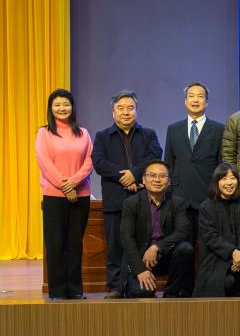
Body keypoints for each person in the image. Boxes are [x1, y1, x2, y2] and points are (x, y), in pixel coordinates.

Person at [92, 90, 163, 299]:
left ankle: (136, 284)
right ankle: (115, 287)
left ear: (136, 111)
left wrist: (135, 173)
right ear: (113, 112)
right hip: (114, 200)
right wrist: (124, 177)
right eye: (121, 108)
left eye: (130, 108)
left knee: (140, 244)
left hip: (142, 200)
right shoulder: (103, 136)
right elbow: (98, 162)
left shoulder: (148, 134)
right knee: (115, 246)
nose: (126, 112)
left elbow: (155, 156)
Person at [36, 88, 93, 300]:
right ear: (51, 108)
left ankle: (75, 289)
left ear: (72, 107)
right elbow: (44, 163)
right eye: (57, 104)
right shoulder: (44, 133)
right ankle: (58, 290)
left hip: (81, 195)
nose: (62, 108)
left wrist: (74, 183)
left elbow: (89, 161)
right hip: (54, 196)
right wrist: (65, 186)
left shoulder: (83, 133)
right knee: (55, 244)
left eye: (66, 104)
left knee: (75, 244)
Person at [119, 159, 194, 298]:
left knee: (186, 248)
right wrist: (140, 270)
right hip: (141, 259)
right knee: (141, 293)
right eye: (152, 175)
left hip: (166, 256)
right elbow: (126, 238)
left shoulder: (178, 203)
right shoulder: (131, 203)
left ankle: (171, 294)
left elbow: (182, 231)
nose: (157, 180)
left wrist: (156, 247)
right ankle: (132, 284)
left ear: (169, 181)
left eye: (162, 176)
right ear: (144, 179)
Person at [165, 82, 224, 242]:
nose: (195, 100)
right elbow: (168, 164)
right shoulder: (173, 129)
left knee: (208, 243)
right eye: (191, 96)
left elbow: (221, 164)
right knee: (182, 246)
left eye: (200, 96)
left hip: (208, 196)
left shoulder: (219, 129)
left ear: (207, 102)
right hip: (179, 196)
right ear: (185, 101)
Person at [195, 163, 240, 297]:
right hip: (214, 258)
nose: (229, 183)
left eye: (232, 178)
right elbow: (211, 237)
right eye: (224, 178)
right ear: (216, 182)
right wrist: (233, 252)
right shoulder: (206, 206)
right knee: (225, 282)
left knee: (239, 279)